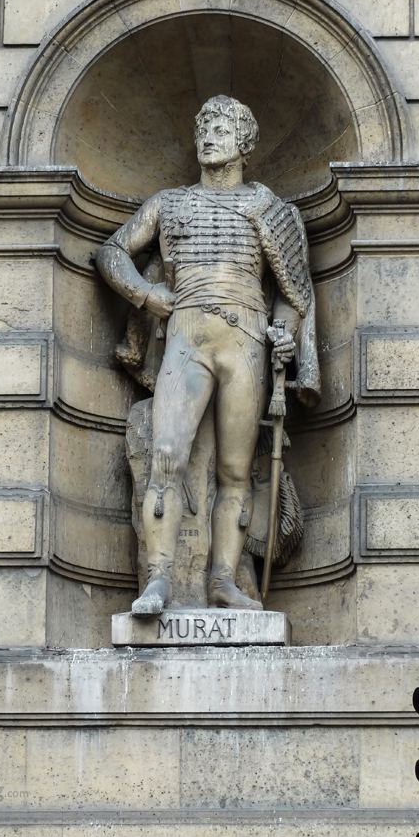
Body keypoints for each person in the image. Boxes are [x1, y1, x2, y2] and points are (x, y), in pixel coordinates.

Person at [96, 95, 318, 616]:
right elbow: (111, 251)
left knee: (237, 471)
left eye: (220, 126)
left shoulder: (271, 208)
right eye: (202, 126)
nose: (207, 135)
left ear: (245, 141)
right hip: (187, 334)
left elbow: (294, 291)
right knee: (165, 456)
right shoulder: (168, 203)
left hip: (247, 341)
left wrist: (285, 332)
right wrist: (148, 296)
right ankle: (159, 579)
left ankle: (223, 579)